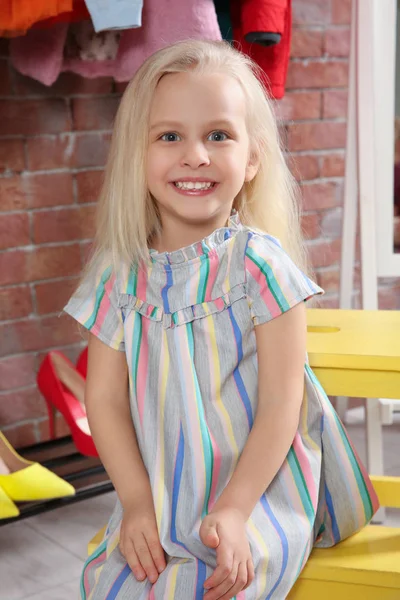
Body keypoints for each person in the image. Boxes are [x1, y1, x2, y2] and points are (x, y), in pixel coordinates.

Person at [63, 39, 379, 600]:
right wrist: (136, 502)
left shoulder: (258, 265)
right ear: (139, 155)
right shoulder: (118, 274)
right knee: (121, 584)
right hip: (162, 487)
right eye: (169, 137)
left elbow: (283, 405)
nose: (196, 156)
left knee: (211, 581)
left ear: (252, 157)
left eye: (218, 135)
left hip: (259, 484)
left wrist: (234, 509)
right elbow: (105, 402)